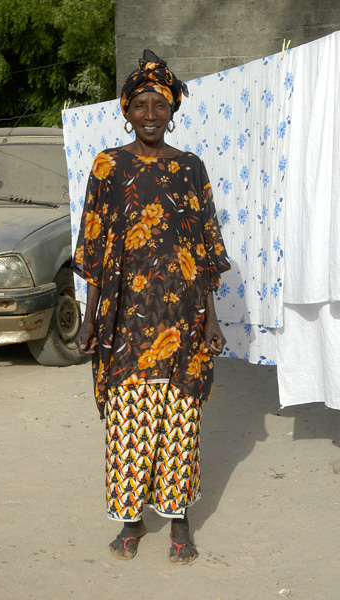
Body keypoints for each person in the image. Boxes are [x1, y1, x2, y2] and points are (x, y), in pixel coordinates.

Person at [72, 50, 230, 564]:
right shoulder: (107, 166)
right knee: (128, 418)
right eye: (140, 104)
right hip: (124, 317)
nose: (149, 115)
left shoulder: (190, 168)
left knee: (180, 416)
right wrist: (91, 317)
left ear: (172, 109)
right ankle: (132, 521)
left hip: (183, 316)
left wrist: (212, 316)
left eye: (158, 105)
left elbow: (204, 247)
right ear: (126, 108)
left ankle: (179, 518)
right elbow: (93, 244)